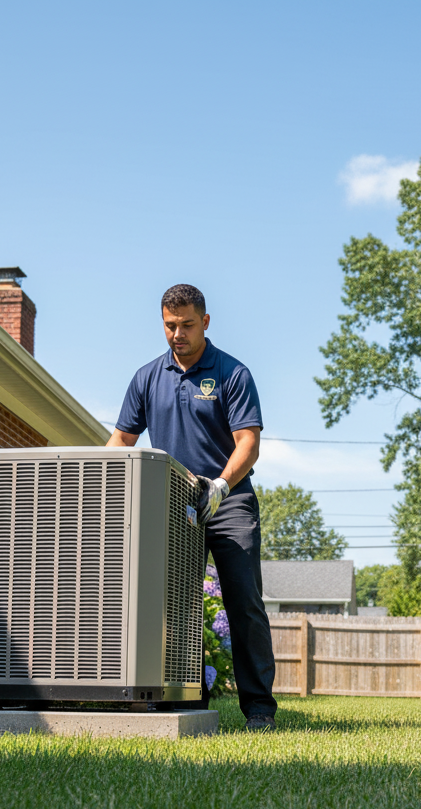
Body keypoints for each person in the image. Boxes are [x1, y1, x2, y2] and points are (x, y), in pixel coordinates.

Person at [107, 284, 277, 731]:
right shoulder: (148, 377)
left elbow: (249, 444)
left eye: (185, 325)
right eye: (169, 325)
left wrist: (221, 484)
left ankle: (259, 709)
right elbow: (122, 439)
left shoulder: (231, 373)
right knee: (171, 604)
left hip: (229, 500)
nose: (177, 334)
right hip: (174, 503)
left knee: (244, 604)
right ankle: (182, 697)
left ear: (205, 321)